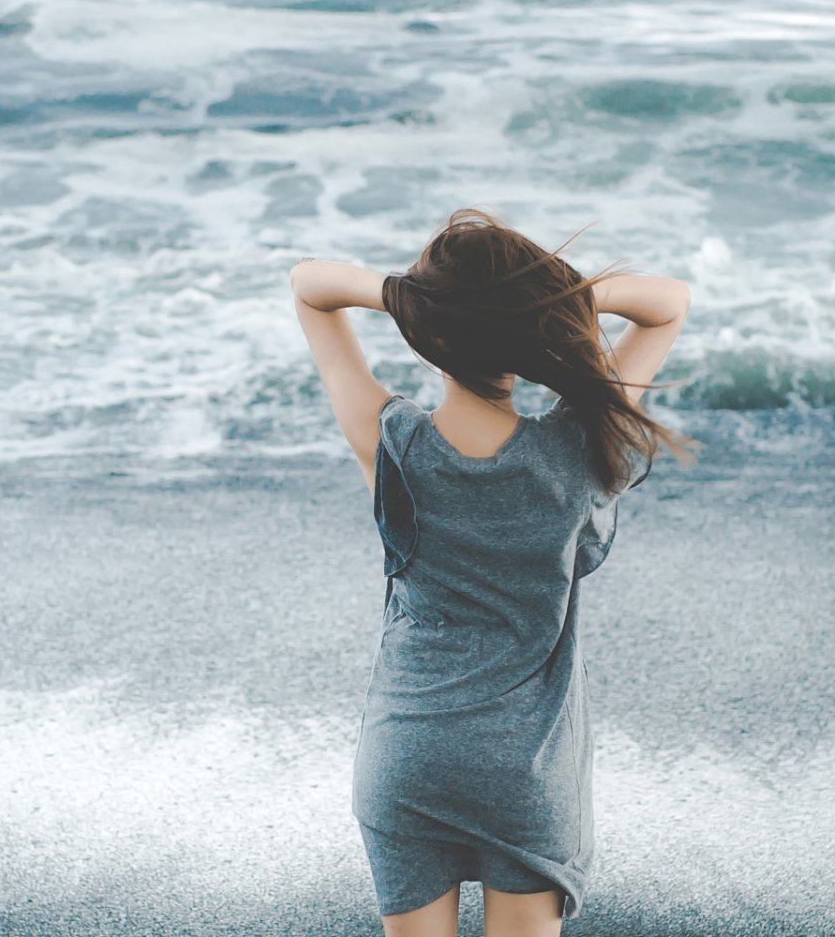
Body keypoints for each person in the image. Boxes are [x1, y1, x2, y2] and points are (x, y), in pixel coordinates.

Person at [290, 207, 698, 936]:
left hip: (408, 752)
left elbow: (309, 285)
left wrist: (413, 300)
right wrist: (537, 303)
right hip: (528, 766)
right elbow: (669, 305)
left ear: (431, 332)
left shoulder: (395, 444)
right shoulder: (582, 449)